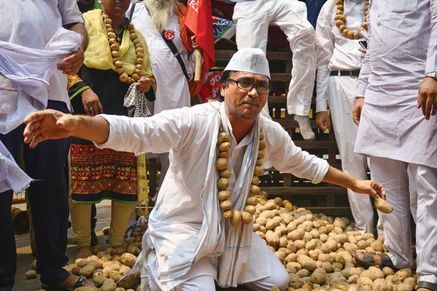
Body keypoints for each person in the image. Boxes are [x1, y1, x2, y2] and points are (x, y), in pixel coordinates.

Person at [23, 48, 385, 291]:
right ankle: (155, 263)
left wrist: (355, 182)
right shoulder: (195, 120)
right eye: (244, 83)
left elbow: (303, 163)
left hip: (230, 229)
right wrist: (74, 125)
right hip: (183, 228)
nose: (253, 93)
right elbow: (137, 132)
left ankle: (199, 272)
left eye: (261, 86)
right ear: (224, 87)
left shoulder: (266, 131)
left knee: (276, 280)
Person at [0, 1, 92, 290]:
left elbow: (76, 23)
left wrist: (79, 49)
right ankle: (2, 278)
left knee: (51, 182)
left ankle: (53, 270)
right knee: (0, 185)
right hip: (2, 87)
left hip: (50, 87)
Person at [352, 1, 437, 290]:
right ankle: (398, 255)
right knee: (386, 185)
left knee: (424, 190)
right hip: (379, 91)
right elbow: (373, 43)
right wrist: (361, 91)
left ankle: (430, 271)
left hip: (419, 88)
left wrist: (433, 74)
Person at [66, 0, 155, 259]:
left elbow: (149, 76)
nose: (119, 1)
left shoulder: (136, 35)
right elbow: (67, 65)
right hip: (87, 115)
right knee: (83, 183)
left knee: (125, 183)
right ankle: (84, 243)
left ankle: (116, 242)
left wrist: (148, 85)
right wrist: (84, 91)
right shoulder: (85, 24)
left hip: (124, 120)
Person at [315, 0, 374, 233]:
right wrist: (321, 104)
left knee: (381, 159)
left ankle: (392, 233)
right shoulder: (330, 7)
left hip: (375, 82)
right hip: (339, 81)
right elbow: (322, 58)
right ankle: (364, 230)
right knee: (351, 158)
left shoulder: (379, 5)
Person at [130, 0, 204, 181]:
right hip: (140, 87)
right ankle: (133, 205)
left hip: (174, 89)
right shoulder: (132, 10)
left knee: (173, 149)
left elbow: (195, 57)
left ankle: (169, 203)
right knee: (134, 142)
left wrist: (196, 45)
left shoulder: (184, 14)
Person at [232, 0, 317, 140]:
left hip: (280, 2)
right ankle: (263, 122)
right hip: (249, 4)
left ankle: (299, 108)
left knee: (306, 34)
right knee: (251, 58)